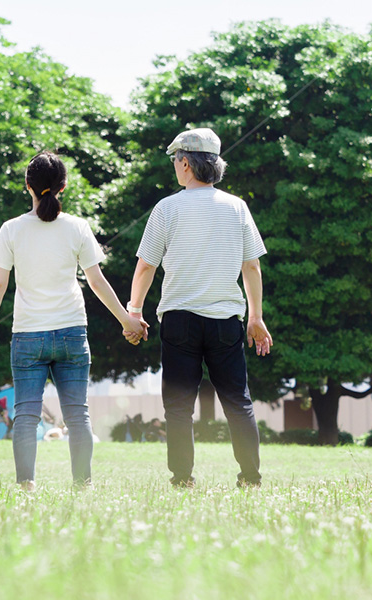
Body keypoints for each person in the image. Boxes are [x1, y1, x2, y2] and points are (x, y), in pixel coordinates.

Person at [0, 152, 146, 491]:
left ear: (28, 186)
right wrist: (127, 320)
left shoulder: (11, 229)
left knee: (25, 414)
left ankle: (26, 486)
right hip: (71, 332)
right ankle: (83, 485)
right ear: (63, 187)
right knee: (77, 415)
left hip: (28, 336)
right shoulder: (77, 227)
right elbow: (96, 282)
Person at [127, 127, 272, 488]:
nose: (175, 167)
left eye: (176, 160)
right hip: (226, 321)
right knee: (238, 401)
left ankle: (182, 479)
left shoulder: (167, 208)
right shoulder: (237, 207)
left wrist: (134, 311)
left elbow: (146, 265)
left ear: (186, 163)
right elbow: (251, 266)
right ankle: (251, 478)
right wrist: (256, 317)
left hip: (179, 321)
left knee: (178, 406)